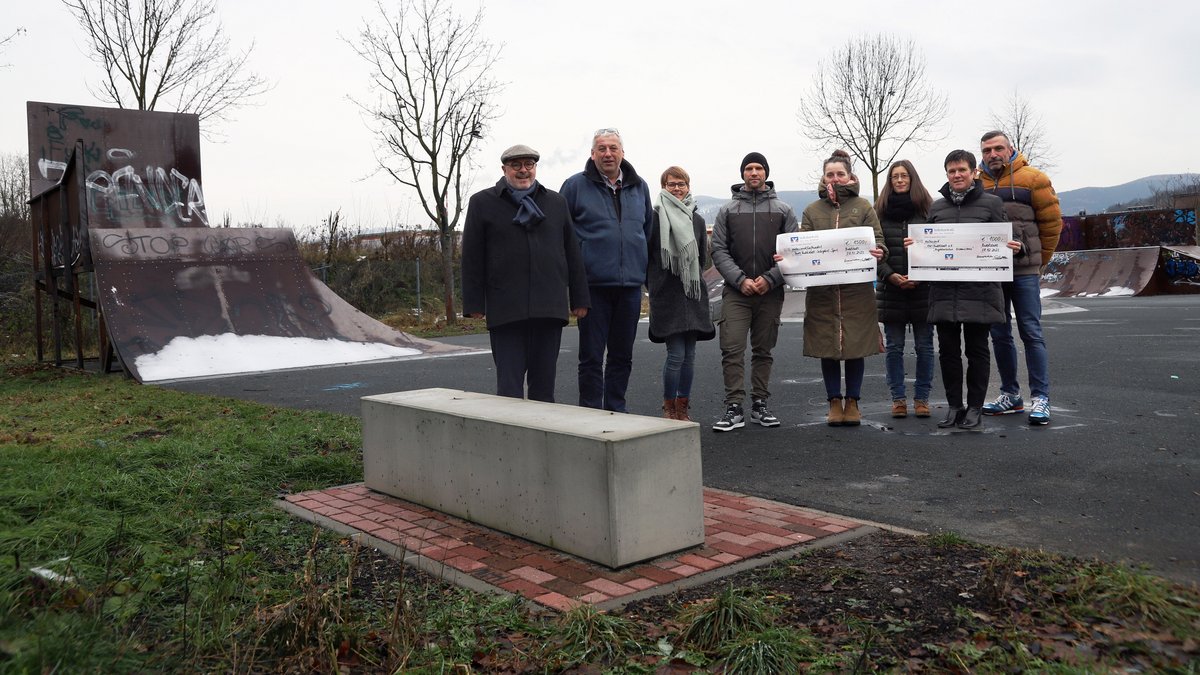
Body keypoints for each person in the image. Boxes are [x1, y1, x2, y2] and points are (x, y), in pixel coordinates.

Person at [462, 144, 590, 402]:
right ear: (504, 169)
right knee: (508, 390)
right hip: (506, 309)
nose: (523, 171)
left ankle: (543, 440)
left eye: (528, 165)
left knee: (544, 389)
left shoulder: (555, 202)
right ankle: (509, 441)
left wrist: (580, 299)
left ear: (535, 168)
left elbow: (571, 252)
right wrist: (474, 303)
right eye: (516, 165)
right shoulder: (482, 203)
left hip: (548, 308)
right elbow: (472, 257)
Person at [916, 149, 1019, 431]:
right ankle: (954, 407)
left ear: (974, 172)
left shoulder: (992, 204)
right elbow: (926, 244)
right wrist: (916, 249)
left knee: (977, 351)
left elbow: (1013, 241)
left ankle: (975, 408)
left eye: (962, 170)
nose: (957, 175)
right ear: (946, 175)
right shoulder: (937, 208)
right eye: (951, 171)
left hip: (980, 292)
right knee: (948, 352)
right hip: (944, 293)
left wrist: (1015, 247)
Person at [560, 128, 653, 412]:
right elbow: (563, 234)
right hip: (591, 287)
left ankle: (616, 409)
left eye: (613, 148)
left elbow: (646, 230)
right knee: (590, 356)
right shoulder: (575, 186)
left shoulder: (640, 187)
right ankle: (590, 411)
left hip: (629, 288)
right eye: (601, 148)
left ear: (622, 153)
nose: (608, 153)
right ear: (592, 154)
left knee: (622, 356)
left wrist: (641, 270)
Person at [978, 130, 1063, 425]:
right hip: (991, 272)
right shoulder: (977, 183)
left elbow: (1052, 225)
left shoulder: (1034, 179)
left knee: (1031, 332)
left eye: (998, 148)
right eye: (987, 150)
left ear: (1010, 148)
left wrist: (1038, 261)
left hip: (1024, 271)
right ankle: (1011, 395)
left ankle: (1040, 397)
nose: (993, 154)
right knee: (999, 334)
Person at [710, 152, 797, 431]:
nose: (754, 173)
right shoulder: (727, 211)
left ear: (766, 173)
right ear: (742, 174)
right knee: (732, 349)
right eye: (749, 168)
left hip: (770, 292)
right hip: (737, 292)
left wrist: (770, 279)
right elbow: (719, 250)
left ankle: (760, 404)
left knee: (763, 351)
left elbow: (792, 251)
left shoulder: (783, 210)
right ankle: (734, 407)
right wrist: (740, 279)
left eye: (759, 168)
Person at [800, 150, 886, 427]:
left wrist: (879, 251)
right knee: (828, 347)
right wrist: (788, 257)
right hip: (823, 292)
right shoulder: (812, 210)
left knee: (855, 346)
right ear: (823, 177)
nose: (835, 178)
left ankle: (853, 402)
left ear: (849, 176)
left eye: (840, 174)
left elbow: (880, 240)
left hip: (856, 291)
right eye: (830, 174)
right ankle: (834, 402)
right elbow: (803, 246)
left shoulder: (863, 206)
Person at [647, 166, 715, 421]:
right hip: (667, 296)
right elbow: (648, 258)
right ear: (663, 187)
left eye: (681, 184)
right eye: (671, 184)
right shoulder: (655, 217)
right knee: (675, 355)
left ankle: (683, 407)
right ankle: (669, 407)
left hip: (692, 295)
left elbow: (702, 259)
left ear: (688, 186)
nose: (676, 188)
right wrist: (655, 285)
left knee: (690, 357)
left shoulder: (696, 220)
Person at [874, 160, 935, 419]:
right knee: (895, 348)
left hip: (924, 291)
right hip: (891, 291)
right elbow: (874, 254)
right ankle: (898, 399)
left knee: (925, 347)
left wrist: (920, 277)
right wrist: (891, 276)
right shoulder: (879, 212)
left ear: (913, 179)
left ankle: (922, 399)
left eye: (904, 176)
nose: (899, 180)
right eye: (894, 176)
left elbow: (937, 250)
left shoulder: (928, 210)